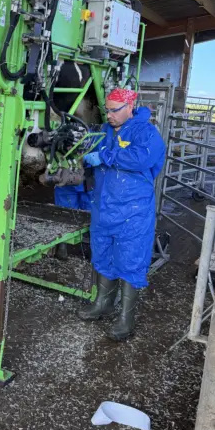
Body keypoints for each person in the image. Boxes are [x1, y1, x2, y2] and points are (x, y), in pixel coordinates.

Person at [78, 88, 166, 341]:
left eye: (115, 110)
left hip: (133, 212)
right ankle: (103, 304)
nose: (110, 115)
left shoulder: (146, 133)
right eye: (107, 109)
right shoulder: (106, 129)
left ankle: (126, 319)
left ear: (130, 107)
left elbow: (141, 159)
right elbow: (92, 150)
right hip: (104, 207)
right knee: (103, 254)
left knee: (130, 262)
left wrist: (104, 155)